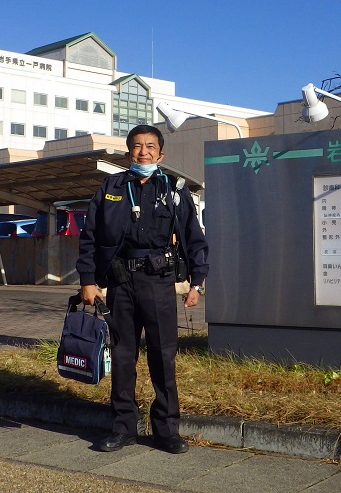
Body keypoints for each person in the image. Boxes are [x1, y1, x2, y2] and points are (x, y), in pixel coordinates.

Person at [76, 124, 209, 454]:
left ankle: (166, 430)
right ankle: (123, 427)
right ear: (128, 153)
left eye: (150, 146)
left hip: (158, 282)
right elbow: (89, 236)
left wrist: (197, 281)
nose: (143, 152)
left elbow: (194, 237)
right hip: (120, 283)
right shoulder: (111, 187)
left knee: (163, 356)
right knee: (122, 356)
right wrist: (88, 280)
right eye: (137, 146)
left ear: (160, 154)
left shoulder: (174, 190)